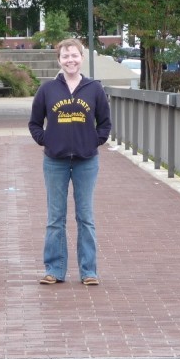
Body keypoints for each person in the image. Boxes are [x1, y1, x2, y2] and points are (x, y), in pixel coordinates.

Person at [28, 38, 112, 286]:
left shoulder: (94, 89)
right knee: (55, 217)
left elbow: (105, 123)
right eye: (65, 56)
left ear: (82, 58)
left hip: (86, 162)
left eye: (74, 55)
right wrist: (47, 140)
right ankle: (54, 269)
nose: (70, 60)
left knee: (85, 217)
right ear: (59, 60)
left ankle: (89, 271)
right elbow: (34, 122)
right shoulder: (47, 90)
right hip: (55, 162)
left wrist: (93, 141)